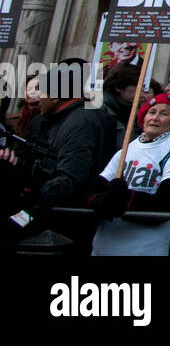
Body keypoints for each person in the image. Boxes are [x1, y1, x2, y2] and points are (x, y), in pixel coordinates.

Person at [0, 61, 115, 253]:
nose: (38, 98)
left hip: (65, 222)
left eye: (42, 91)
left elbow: (70, 177)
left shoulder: (81, 123)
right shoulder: (43, 121)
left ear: (55, 96)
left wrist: (25, 217)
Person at [87, 92, 170, 256]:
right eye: (152, 112)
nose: (155, 118)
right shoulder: (126, 151)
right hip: (103, 248)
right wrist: (100, 201)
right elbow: (95, 188)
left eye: (163, 114)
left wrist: (125, 199)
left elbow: (168, 204)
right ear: (143, 118)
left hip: (144, 250)